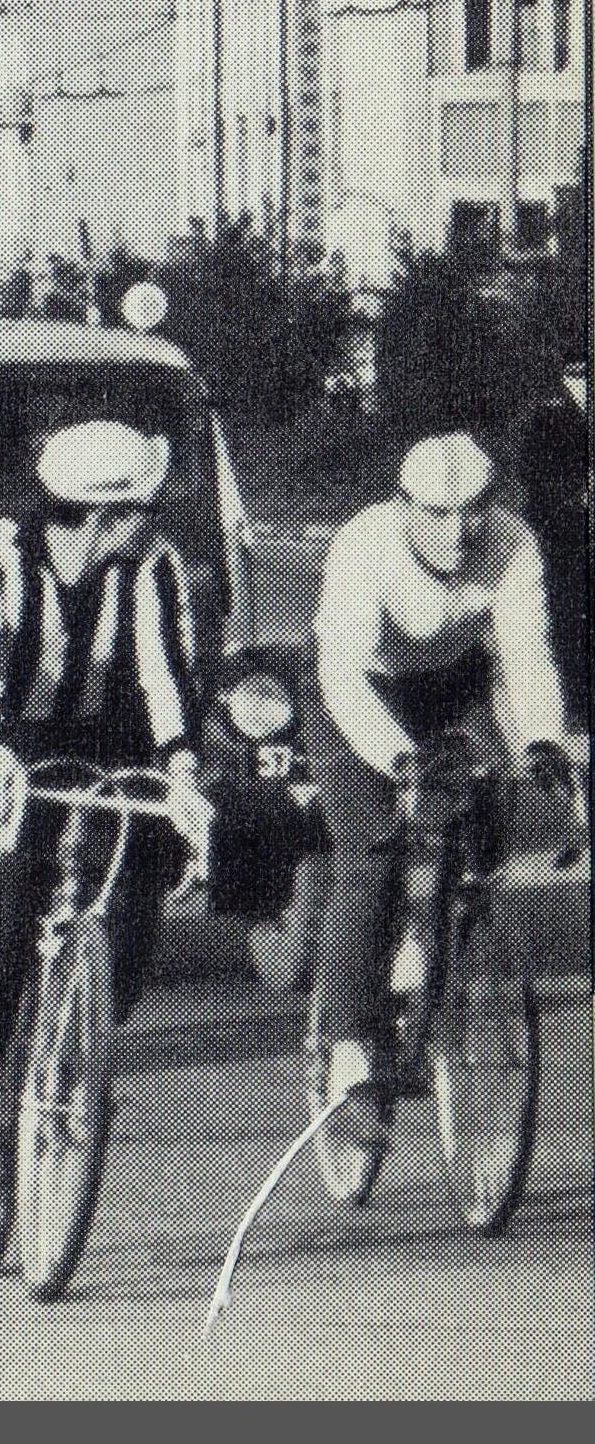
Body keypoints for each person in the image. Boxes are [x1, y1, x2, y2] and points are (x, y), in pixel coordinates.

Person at [0, 420, 207, 1183]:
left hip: (105, 744)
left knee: (143, 868)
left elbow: (166, 676)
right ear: (105, 515)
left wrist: (181, 773)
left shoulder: (150, 566)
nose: (153, 521)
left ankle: (82, 1039)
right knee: (8, 890)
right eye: (143, 508)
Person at [308, 430, 575, 1147]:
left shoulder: (512, 543)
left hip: (450, 684)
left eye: (473, 511)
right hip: (357, 693)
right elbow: (341, 675)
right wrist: (400, 759)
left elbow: (524, 652)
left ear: (493, 506)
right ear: (402, 507)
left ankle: (446, 936)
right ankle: (348, 1054)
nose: (457, 531)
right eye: (435, 513)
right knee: (371, 859)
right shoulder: (364, 545)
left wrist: (542, 739)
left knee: (488, 806)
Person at [516, 362, 587, 727]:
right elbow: (535, 475)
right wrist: (576, 498)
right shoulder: (547, 413)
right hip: (560, 536)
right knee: (565, 613)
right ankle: (573, 699)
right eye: (576, 372)